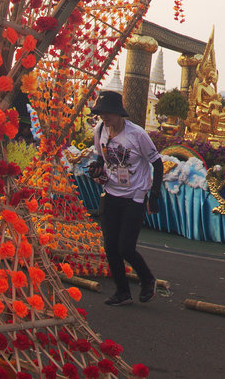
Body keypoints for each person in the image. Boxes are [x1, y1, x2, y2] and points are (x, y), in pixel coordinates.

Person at [89, 90, 162, 306]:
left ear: (119, 113)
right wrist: (96, 169)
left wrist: (154, 195)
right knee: (110, 247)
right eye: (101, 113)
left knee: (125, 248)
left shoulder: (137, 135)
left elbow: (157, 163)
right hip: (111, 194)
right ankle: (123, 291)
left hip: (135, 197)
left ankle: (148, 279)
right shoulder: (100, 130)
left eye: (108, 113)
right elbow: (99, 157)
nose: (105, 118)